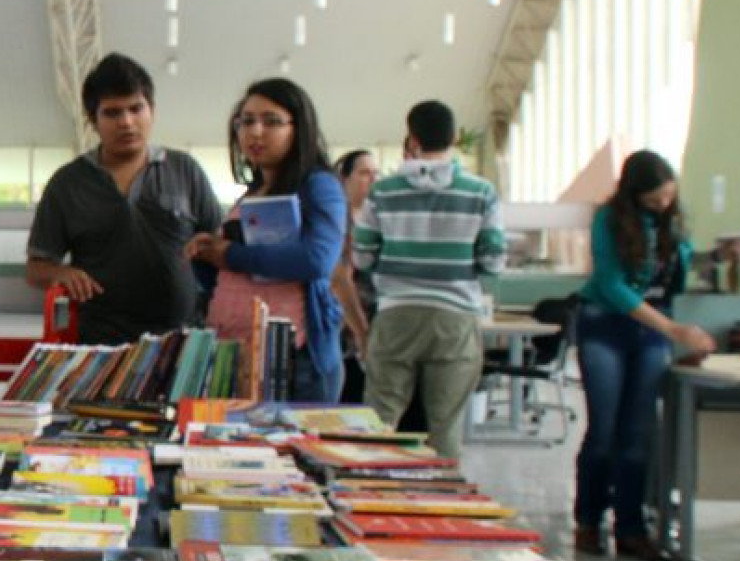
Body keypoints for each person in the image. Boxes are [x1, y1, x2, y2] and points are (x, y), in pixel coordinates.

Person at [572, 149, 717, 561]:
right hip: (606, 326)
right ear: (633, 193)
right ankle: (588, 521)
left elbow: (673, 269)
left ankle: (631, 527)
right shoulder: (609, 219)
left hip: (652, 332)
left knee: (638, 434)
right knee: (604, 429)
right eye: (654, 199)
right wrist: (672, 329)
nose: (663, 205)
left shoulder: (672, 220)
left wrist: (716, 259)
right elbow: (612, 284)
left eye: (669, 196)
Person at [26, 53, 222, 344]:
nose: (127, 122)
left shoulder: (184, 170)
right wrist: (59, 273)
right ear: (93, 120)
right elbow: (35, 269)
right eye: (112, 113)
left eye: (136, 108)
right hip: (100, 346)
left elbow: (217, 245)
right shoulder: (68, 183)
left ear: (152, 110)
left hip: (182, 345)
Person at [351, 101, 506, 459]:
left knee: (379, 423)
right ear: (455, 137)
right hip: (456, 318)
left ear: (413, 139)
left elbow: (362, 257)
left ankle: (370, 489)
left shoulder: (383, 191)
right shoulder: (481, 192)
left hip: (396, 315)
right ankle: (443, 491)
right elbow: (493, 261)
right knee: (444, 428)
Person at [188, 78, 347, 402]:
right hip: (235, 353)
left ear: (298, 128)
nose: (255, 132)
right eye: (246, 121)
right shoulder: (251, 193)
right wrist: (206, 255)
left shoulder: (318, 184)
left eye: (271, 121)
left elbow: (318, 259)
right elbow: (230, 277)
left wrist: (231, 255)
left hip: (294, 358)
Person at [333, 149, 379, 403]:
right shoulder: (336, 221)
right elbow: (339, 277)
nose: (372, 180)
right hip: (345, 323)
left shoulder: (379, 220)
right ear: (345, 178)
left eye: (375, 174)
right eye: (364, 173)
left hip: (377, 317)